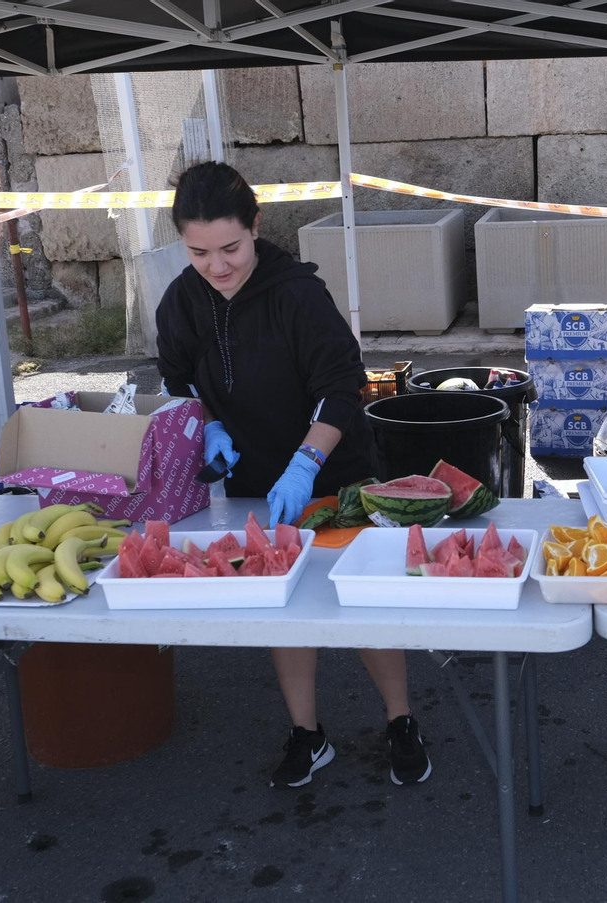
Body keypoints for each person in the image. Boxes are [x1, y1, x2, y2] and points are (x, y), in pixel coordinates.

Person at [155, 162, 431, 789]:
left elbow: (342, 385)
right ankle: (307, 733)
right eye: (199, 252)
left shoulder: (298, 294)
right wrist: (208, 427)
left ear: (255, 225)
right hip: (253, 476)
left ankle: (401, 720)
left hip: (333, 472)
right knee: (282, 603)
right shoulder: (181, 300)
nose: (217, 266)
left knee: (361, 599)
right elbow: (178, 380)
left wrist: (306, 464)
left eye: (230, 248)